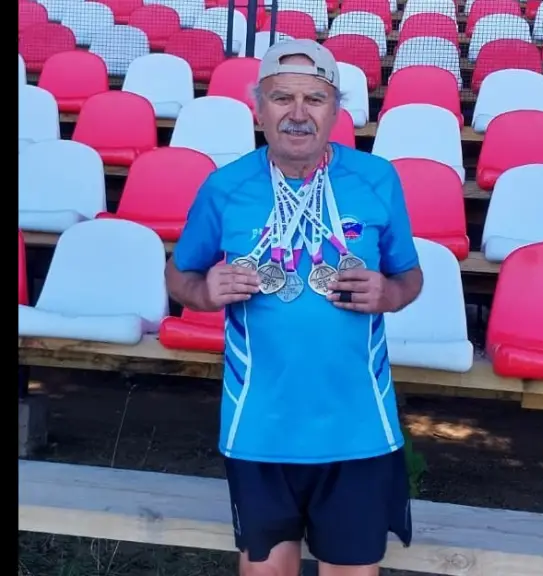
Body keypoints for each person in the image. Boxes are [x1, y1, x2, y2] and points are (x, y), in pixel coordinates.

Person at [165, 39, 424, 576]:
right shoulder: (224, 187)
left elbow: (410, 277)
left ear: (336, 111)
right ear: (259, 107)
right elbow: (180, 274)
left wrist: (389, 294)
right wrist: (204, 292)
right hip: (259, 425)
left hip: (358, 427)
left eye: (316, 99)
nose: (299, 114)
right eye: (282, 98)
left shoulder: (377, 180)